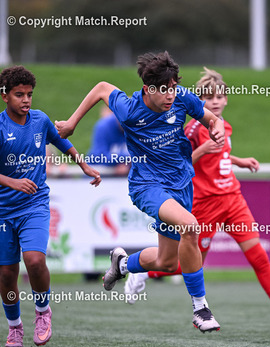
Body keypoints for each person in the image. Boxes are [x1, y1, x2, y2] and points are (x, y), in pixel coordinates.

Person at [123, 68, 270, 333]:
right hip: (205, 203)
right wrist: (203, 149)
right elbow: (178, 165)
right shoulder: (192, 128)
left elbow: (221, 154)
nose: (215, 102)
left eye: (219, 96)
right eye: (208, 97)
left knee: (258, 255)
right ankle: (143, 270)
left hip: (232, 199)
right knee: (187, 264)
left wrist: (238, 160)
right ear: (199, 100)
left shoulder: (224, 125)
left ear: (226, 99)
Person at [56, 51, 226, 332]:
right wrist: (72, 123)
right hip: (147, 185)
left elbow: (212, 119)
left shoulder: (181, 97)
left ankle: (122, 264)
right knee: (190, 226)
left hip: (182, 184)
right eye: (164, 90)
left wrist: (216, 128)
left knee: (167, 263)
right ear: (148, 89)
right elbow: (101, 88)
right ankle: (201, 309)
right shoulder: (129, 108)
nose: (170, 95)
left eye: (173, 88)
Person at [0, 66, 101, 347]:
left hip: (34, 204)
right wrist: (13, 182)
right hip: (1, 211)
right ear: (5, 96)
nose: (26, 100)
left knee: (34, 260)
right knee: (7, 273)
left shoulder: (40, 120)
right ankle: (14, 327)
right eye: (19, 95)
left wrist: (82, 163)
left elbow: (60, 139)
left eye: (29, 94)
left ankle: (43, 312)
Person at [87, 105, 130, 176]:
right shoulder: (103, 126)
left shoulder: (139, 127)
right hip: (98, 176)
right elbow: (99, 156)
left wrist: (127, 164)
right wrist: (127, 159)